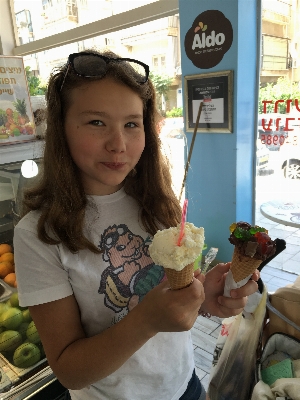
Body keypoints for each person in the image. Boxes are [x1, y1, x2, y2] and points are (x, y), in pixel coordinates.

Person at [14, 50, 259, 400]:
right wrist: (144, 320)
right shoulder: (39, 235)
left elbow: (171, 297)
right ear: (61, 128)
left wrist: (204, 296)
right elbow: (69, 371)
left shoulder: (156, 203)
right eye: (97, 122)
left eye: (131, 124)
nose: (118, 145)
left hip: (186, 386)